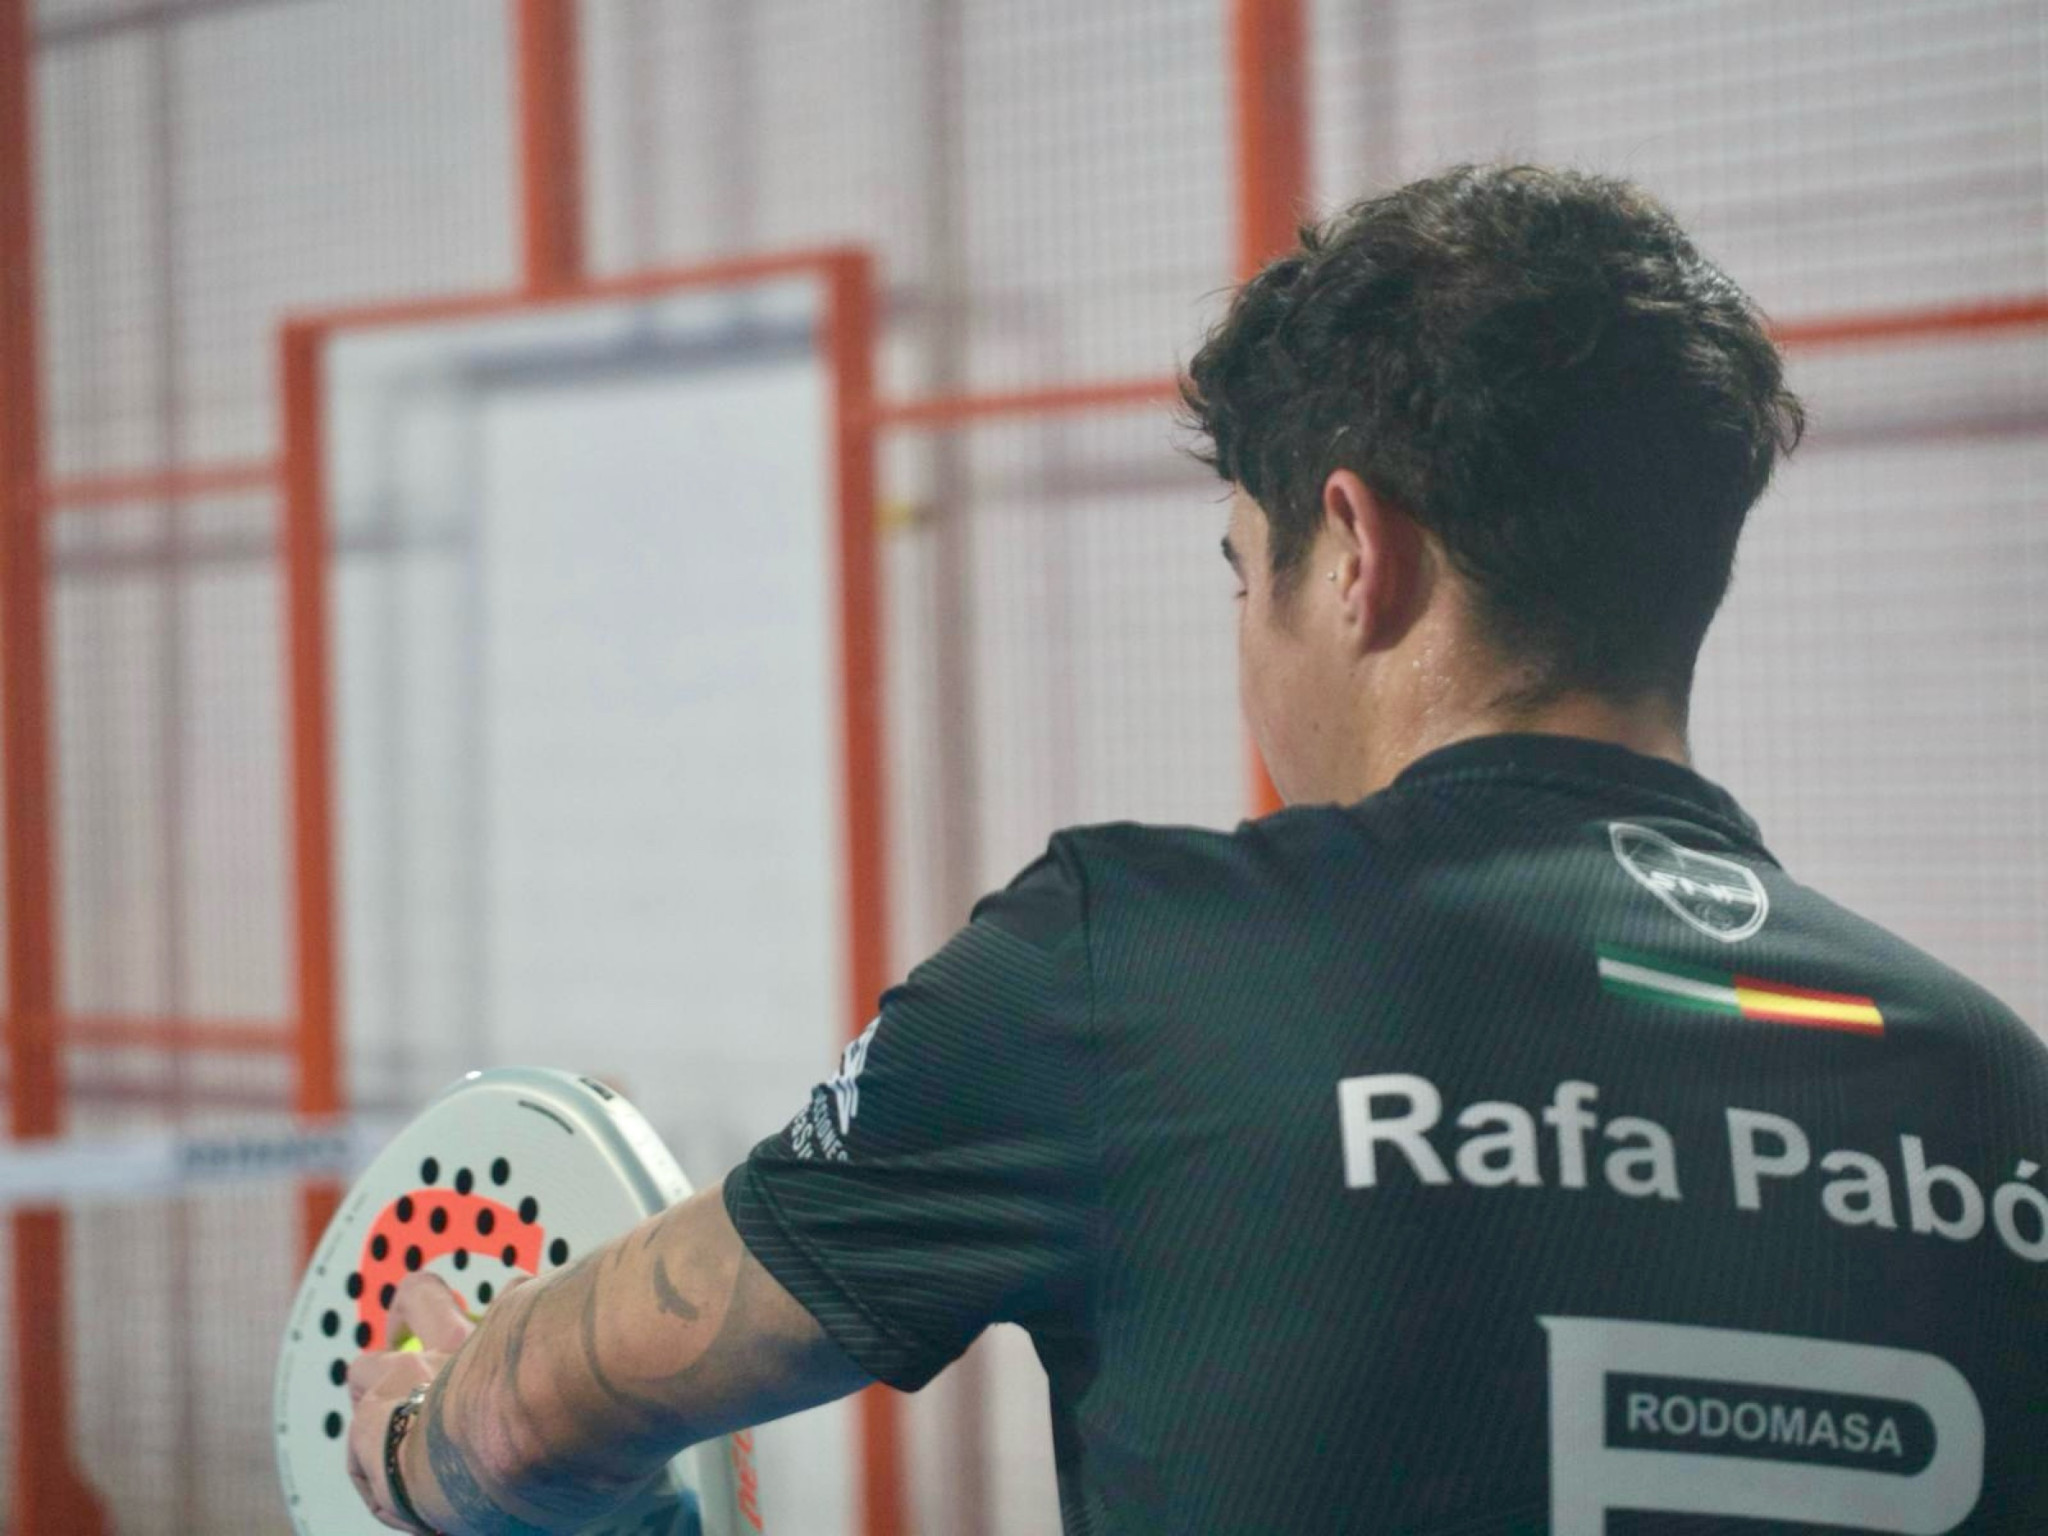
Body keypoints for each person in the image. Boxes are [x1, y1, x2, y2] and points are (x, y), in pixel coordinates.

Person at [347, 163, 2048, 1535]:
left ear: (1355, 551)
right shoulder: (1995, 1084)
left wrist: (416, 1440)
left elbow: (537, 1419)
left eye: (1246, 570)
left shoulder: (1126, 970)